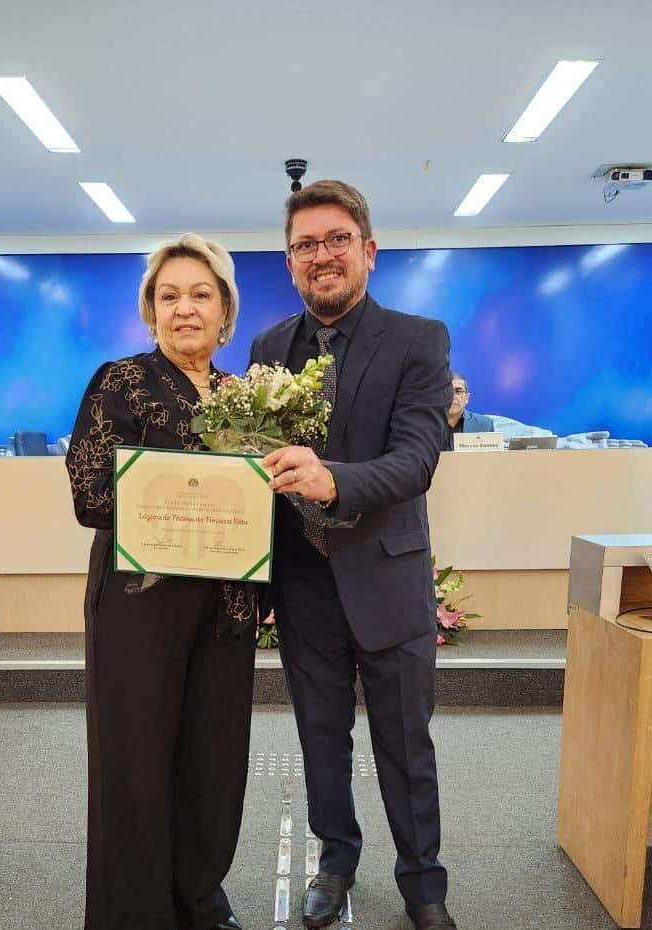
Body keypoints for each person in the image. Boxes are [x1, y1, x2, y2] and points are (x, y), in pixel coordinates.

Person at [250, 180, 457, 930]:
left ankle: (423, 884)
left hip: (387, 576)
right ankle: (335, 860)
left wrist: (333, 479)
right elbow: (256, 464)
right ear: (290, 263)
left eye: (337, 239)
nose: (321, 255)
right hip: (304, 584)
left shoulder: (418, 339)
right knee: (320, 740)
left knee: (405, 744)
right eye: (305, 245)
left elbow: (415, 460)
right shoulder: (269, 348)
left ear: (368, 250)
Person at [66, 234, 256, 930]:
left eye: (201, 294)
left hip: (227, 607)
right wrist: (179, 493)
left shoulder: (248, 396)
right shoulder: (121, 381)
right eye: (169, 295)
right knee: (137, 765)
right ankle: (137, 913)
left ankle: (199, 897)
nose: (185, 309)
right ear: (151, 310)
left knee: (214, 762)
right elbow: (89, 492)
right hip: (139, 608)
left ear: (224, 311)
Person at [444, 372, 494, 450]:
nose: (452, 396)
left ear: (467, 398)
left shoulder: (484, 425)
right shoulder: (427, 425)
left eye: (458, 391)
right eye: (447, 391)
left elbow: (491, 459)